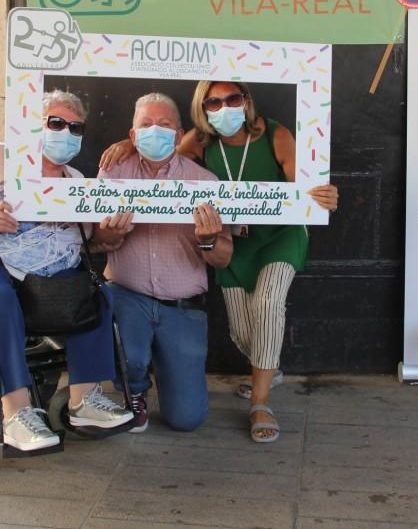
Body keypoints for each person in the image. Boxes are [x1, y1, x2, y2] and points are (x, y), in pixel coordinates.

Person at [101, 81, 338, 443]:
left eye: (232, 98)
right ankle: (266, 367)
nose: (224, 107)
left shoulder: (275, 136)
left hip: (278, 236)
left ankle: (260, 402)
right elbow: (159, 150)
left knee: (268, 304)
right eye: (213, 102)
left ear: (246, 100)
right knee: (243, 332)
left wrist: (321, 196)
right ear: (203, 108)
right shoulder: (199, 141)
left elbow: (305, 187)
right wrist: (127, 143)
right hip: (235, 243)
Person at [0, 89, 133, 451]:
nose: (65, 132)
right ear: (34, 125)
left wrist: (109, 235)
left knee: (98, 295)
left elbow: (91, 241)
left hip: (52, 275)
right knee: (1, 300)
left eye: (75, 127)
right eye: (56, 123)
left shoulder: (75, 180)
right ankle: (15, 414)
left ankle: (85, 400)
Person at [94, 93, 233, 433]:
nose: (154, 131)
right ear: (132, 135)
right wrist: (111, 234)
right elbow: (94, 239)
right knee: (130, 355)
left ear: (178, 133)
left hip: (182, 306)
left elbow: (223, 257)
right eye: (146, 125)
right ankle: (135, 390)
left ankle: (169, 379)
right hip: (128, 295)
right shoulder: (113, 173)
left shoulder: (206, 182)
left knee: (187, 419)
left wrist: (208, 239)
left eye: (164, 124)